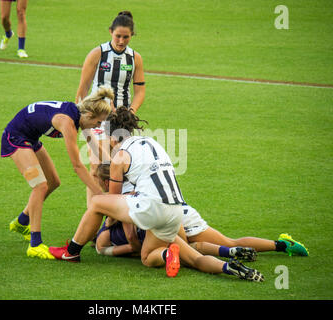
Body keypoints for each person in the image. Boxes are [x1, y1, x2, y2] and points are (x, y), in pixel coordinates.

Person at [49, 108, 264, 281]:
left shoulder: (120, 156)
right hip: (176, 210)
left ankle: (72, 251)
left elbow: (112, 202)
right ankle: (229, 267)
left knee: (97, 202)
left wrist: (108, 230)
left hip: (151, 208)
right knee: (181, 258)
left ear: (113, 135)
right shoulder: (153, 143)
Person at [94, 163, 309, 259]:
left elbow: (131, 237)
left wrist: (131, 248)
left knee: (203, 249)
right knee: (222, 243)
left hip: (172, 217)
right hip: (180, 210)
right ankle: (281, 245)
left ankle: (275, 246)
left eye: (99, 182)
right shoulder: (134, 179)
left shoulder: (121, 198)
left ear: (106, 180)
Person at [1, 86, 114, 259]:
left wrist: (114, 166)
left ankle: (22, 221)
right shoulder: (68, 123)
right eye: (98, 122)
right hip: (15, 138)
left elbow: (95, 147)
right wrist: (99, 194)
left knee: (54, 182)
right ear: (90, 116)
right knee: (39, 186)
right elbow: (77, 166)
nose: (98, 126)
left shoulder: (81, 117)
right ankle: (35, 244)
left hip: (30, 138)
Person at [74, 11, 146, 207]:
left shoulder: (135, 58)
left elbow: (140, 91)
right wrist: (81, 119)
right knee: (97, 166)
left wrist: (131, 112)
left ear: (132, 35)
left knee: (118, 167)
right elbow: (82, 89)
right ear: (110, 32)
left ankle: (113, 216)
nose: (121, 41)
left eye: (126, 37)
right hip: (96, 118)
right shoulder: (98, 54)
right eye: (118, 36)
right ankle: (93, 215)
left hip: (121, 120)